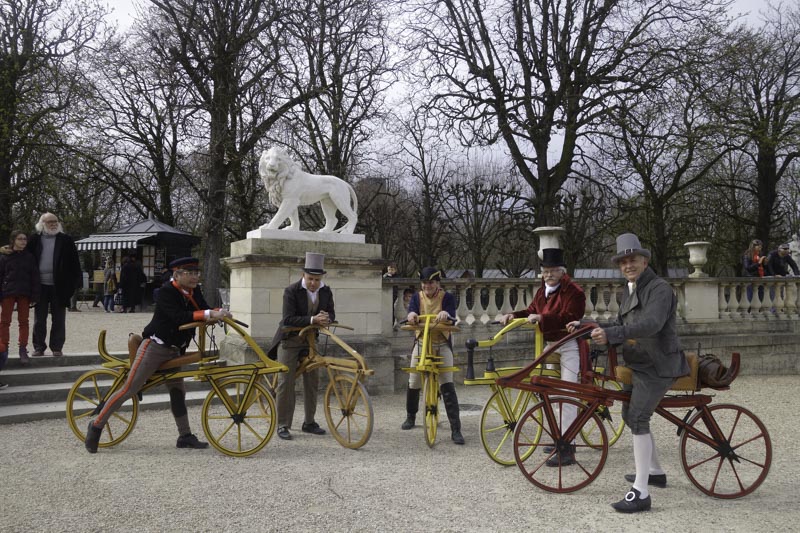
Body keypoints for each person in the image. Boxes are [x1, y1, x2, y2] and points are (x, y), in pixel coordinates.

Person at [568, 233, 688, 513]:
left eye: (633, 259)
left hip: (659, 364)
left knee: (638, 416)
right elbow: (618, 322)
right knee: (629, 415)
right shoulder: (630, 289)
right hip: (638, 363)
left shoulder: (659, 289)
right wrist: (587, 324)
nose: (628, 265)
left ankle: (642, 492)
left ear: (644, 261)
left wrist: (612, 334)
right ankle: (655, 472)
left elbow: (652, 324)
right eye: (623, 261)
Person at [84, 257, 231, 453]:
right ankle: (96, 425)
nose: (195, 276)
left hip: (175, 349)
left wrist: (220, 311)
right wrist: (208, 315)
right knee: (129, 389)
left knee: (178, 392)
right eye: (190, 273)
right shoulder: (165, 292)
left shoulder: (194, 291)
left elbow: (203, 308)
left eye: (197, 272)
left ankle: (185, 435)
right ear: (177, 275)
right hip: (155, 347)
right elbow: (178, 317)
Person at [500, 248, 585, 466]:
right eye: (546, 271)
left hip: (568, 345)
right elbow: (531, 310)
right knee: (545, 392)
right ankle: (559, 437)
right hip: (548, 346)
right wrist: (513, 315)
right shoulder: (542, 291)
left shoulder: (574, 292)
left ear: (562, 271)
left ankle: (568, 448)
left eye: (553, 270)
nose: (548, 274)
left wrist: (542, 317)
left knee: (567, 394)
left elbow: (570, 317)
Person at [268, 252, 335, 441]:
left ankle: (309, 422)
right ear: (303, 275)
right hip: (289, 341)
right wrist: (313, 319)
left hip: (310, 341)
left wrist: (327, 318)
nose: (313, 282)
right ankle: (283, 424)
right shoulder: (291, 291)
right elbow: (287, 319)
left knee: (312, 381)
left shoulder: (325, 291)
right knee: (286, 381)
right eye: (310, 278)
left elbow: (332, 313)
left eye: (316, 279)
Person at [402, 267, 464, 445]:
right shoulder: (416, 297)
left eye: (431, 282)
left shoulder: (447, 297)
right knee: (413, 380)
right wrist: (412, 315)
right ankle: (411, 416)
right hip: (422, 341)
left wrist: (446, 315)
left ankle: (456, 429)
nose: (427, 286)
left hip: (441, 343)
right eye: (424, 283)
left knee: (447, 383)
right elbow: (411, 313)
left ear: (437, 283)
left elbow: (452, 317)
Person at [26, 213, 82, 357]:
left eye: (55, 221)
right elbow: (25, 258)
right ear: (42, 223)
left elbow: (75, 262)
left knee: (59, 318)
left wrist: (77, 282)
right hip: (40, 285)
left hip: (60, 285)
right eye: (50, 222)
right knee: (39, 319)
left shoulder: (66, 240)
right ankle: (39, 347)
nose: (53, 224)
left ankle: (56, 347)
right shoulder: (34, 239)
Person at [0, 231, 41, 379]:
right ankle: (3, 348)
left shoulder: (29, 257)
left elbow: (35, 276)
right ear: (13, 240)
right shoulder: (5, 256)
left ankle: (23, 349)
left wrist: (35, 295)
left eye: (25, 239)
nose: (23, 241)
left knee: (24, 322)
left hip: (25, 292)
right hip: (8, 292)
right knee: (5, 322)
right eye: (20, 239)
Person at [742, 239, 767, 304]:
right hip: (749, 277)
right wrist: (758, 263)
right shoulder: (747, 255)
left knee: (761, 295)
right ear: (753, 246)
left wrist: (765, 263)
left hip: (759, 277)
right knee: (750, 295)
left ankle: (758, 310)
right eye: (758, 246)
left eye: (761, 247)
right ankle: (748, 311)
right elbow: (747, 268)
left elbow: (762, 267)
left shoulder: (760, 254)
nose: (760, 248)